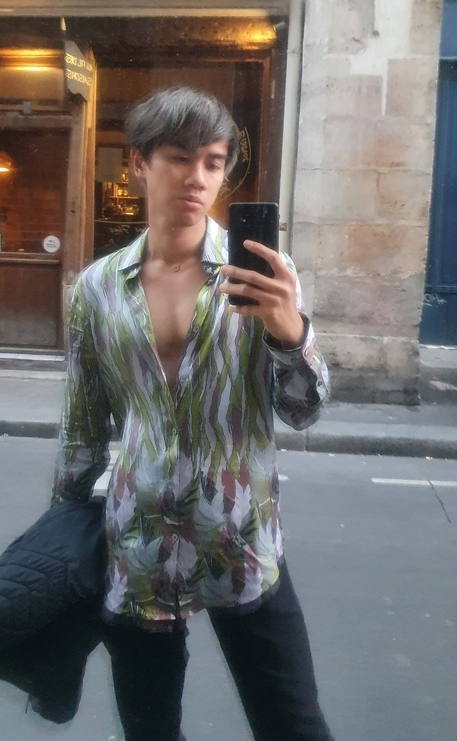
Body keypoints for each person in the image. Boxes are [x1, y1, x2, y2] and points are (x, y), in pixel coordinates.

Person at [52, 86, 335, 741]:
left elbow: (303, 410)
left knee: (294, 725)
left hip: (242, 538)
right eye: (179, 157)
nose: (198, 177)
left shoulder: (260, 272)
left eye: (212, 161)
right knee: (150, 729)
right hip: (138, 544)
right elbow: (83, 425)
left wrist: (289, 333)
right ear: (138, 163)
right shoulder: (97, 288)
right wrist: (61, 530)